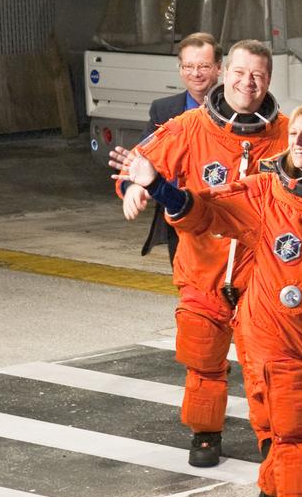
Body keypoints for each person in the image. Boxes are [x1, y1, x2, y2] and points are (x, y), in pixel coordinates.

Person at [111, 104, 302, 497]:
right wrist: (157, 185)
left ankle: (273, 488)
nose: (301, 142)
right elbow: (205, 212)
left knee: (286, 428)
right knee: (299, 431)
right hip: (274, 334)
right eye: (298, 134)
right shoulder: (265, 193)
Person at [115, 40, 288, 468]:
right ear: (225, 73)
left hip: (262, 277)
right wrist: (135, 188)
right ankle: (206, 432)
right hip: (202, 269)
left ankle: (273, 441)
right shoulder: (191, 127)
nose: (248, 83)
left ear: (268, 80)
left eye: (258, 76)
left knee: (267, 368)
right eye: (240, 73)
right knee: (203, 359)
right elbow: (139, 163)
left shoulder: (286, 133)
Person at [140, 32, 222, 267]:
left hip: (224, 215)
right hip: (179, 215)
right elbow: (144, 158)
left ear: (219, 68)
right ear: (180, 69)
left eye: (204, 66)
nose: (195, 74)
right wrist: (135, 185)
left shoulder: (237, 110)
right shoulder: (163, 110)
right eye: (188, 66)